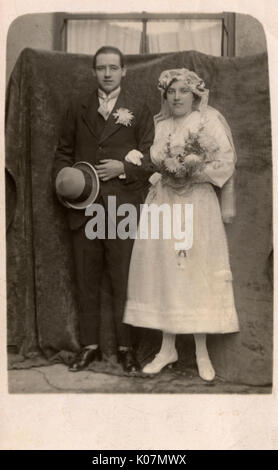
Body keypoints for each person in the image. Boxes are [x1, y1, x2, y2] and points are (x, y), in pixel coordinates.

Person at [124, 68, 240, 381]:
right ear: (165, 95)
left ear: (195, 94)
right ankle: (167, 348)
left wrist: (192, 172)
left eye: (183, 91)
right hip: (164, 203)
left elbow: (225, 162)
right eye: (171, 92)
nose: (176, 97)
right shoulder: (159, 125)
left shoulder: (207, 122)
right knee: (166, 271)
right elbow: (153, 163)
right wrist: (164, 172)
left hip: (197, 204)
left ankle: (202, 351)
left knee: (194, 271)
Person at [53, 46, 154, 373]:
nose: (107, 73)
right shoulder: (77, 106)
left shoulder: (139, 107)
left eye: (113, 67)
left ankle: (127, 349)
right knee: (86, 279)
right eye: (101, 68)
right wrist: (67, 181)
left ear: (124, 71)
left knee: (124, 279)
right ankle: (89, 346)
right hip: (83, 208)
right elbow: (63, 153)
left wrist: (123, 168)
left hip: (122, 209)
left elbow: (152, 159)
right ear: (93, 71)